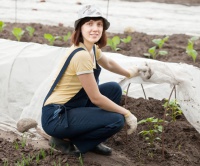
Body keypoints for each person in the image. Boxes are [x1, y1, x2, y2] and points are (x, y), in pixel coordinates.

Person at [41, 4, 152, 156]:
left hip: (72, 105)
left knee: (113, 89)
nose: (95, 28)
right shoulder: (81, 55)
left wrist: (132, 71)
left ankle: (91, 141)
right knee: (117, 120)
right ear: (80, 28)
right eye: (90, 23)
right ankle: (66, 140)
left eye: (99, 24)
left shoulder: (91, 48)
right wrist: (127, 113)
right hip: (57, 116)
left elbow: (109, 63)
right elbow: (96, 98)